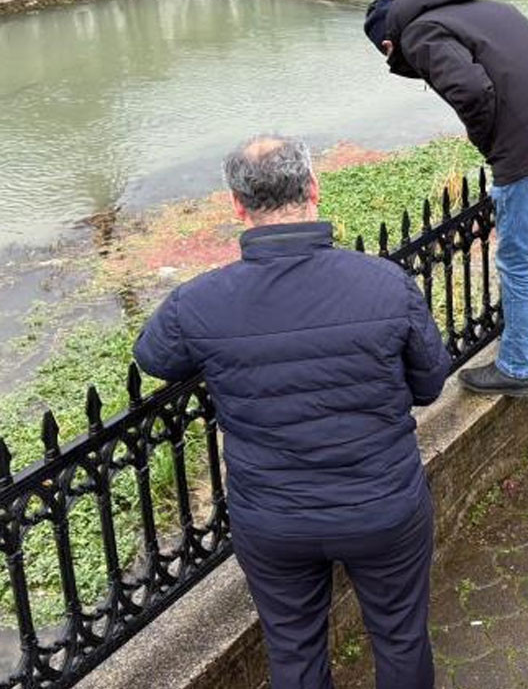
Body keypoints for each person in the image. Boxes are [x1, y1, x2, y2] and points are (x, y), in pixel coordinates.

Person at [132, 135, 449, 689]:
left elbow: (153, 357)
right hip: (381, 504)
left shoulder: (200, 302)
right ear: (313, 189)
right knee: (400, 636)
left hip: (274, 518)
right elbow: (430, 382)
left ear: (237, 206)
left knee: (294, 650)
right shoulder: (384, 284)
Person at [365, 0, 528, 396]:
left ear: (389, 42)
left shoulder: (420, 35)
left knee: (519, 259)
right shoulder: (487, 9)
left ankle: (516, 368)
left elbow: (472, 91)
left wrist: (495, 143)